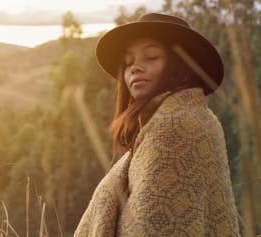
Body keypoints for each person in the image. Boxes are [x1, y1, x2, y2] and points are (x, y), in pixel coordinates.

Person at [74, 13, 239, 236]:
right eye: (128, 62)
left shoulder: (176, 126)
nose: (135, 68)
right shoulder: (176, 121)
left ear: (182, 67)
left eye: (151, 57)